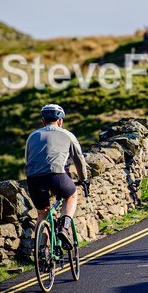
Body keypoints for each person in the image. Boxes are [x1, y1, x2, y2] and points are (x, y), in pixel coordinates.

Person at [25, 104, 90, 250]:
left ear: (43, 121)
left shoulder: (32, 136)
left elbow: (27, 159)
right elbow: (78, 159)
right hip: (56, 175)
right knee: (71, 195)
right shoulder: (67, 135)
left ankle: (42, 250)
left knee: (42, 214)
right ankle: (64, 228)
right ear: (60, 121)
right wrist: (83, 179)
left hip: (33, 178)